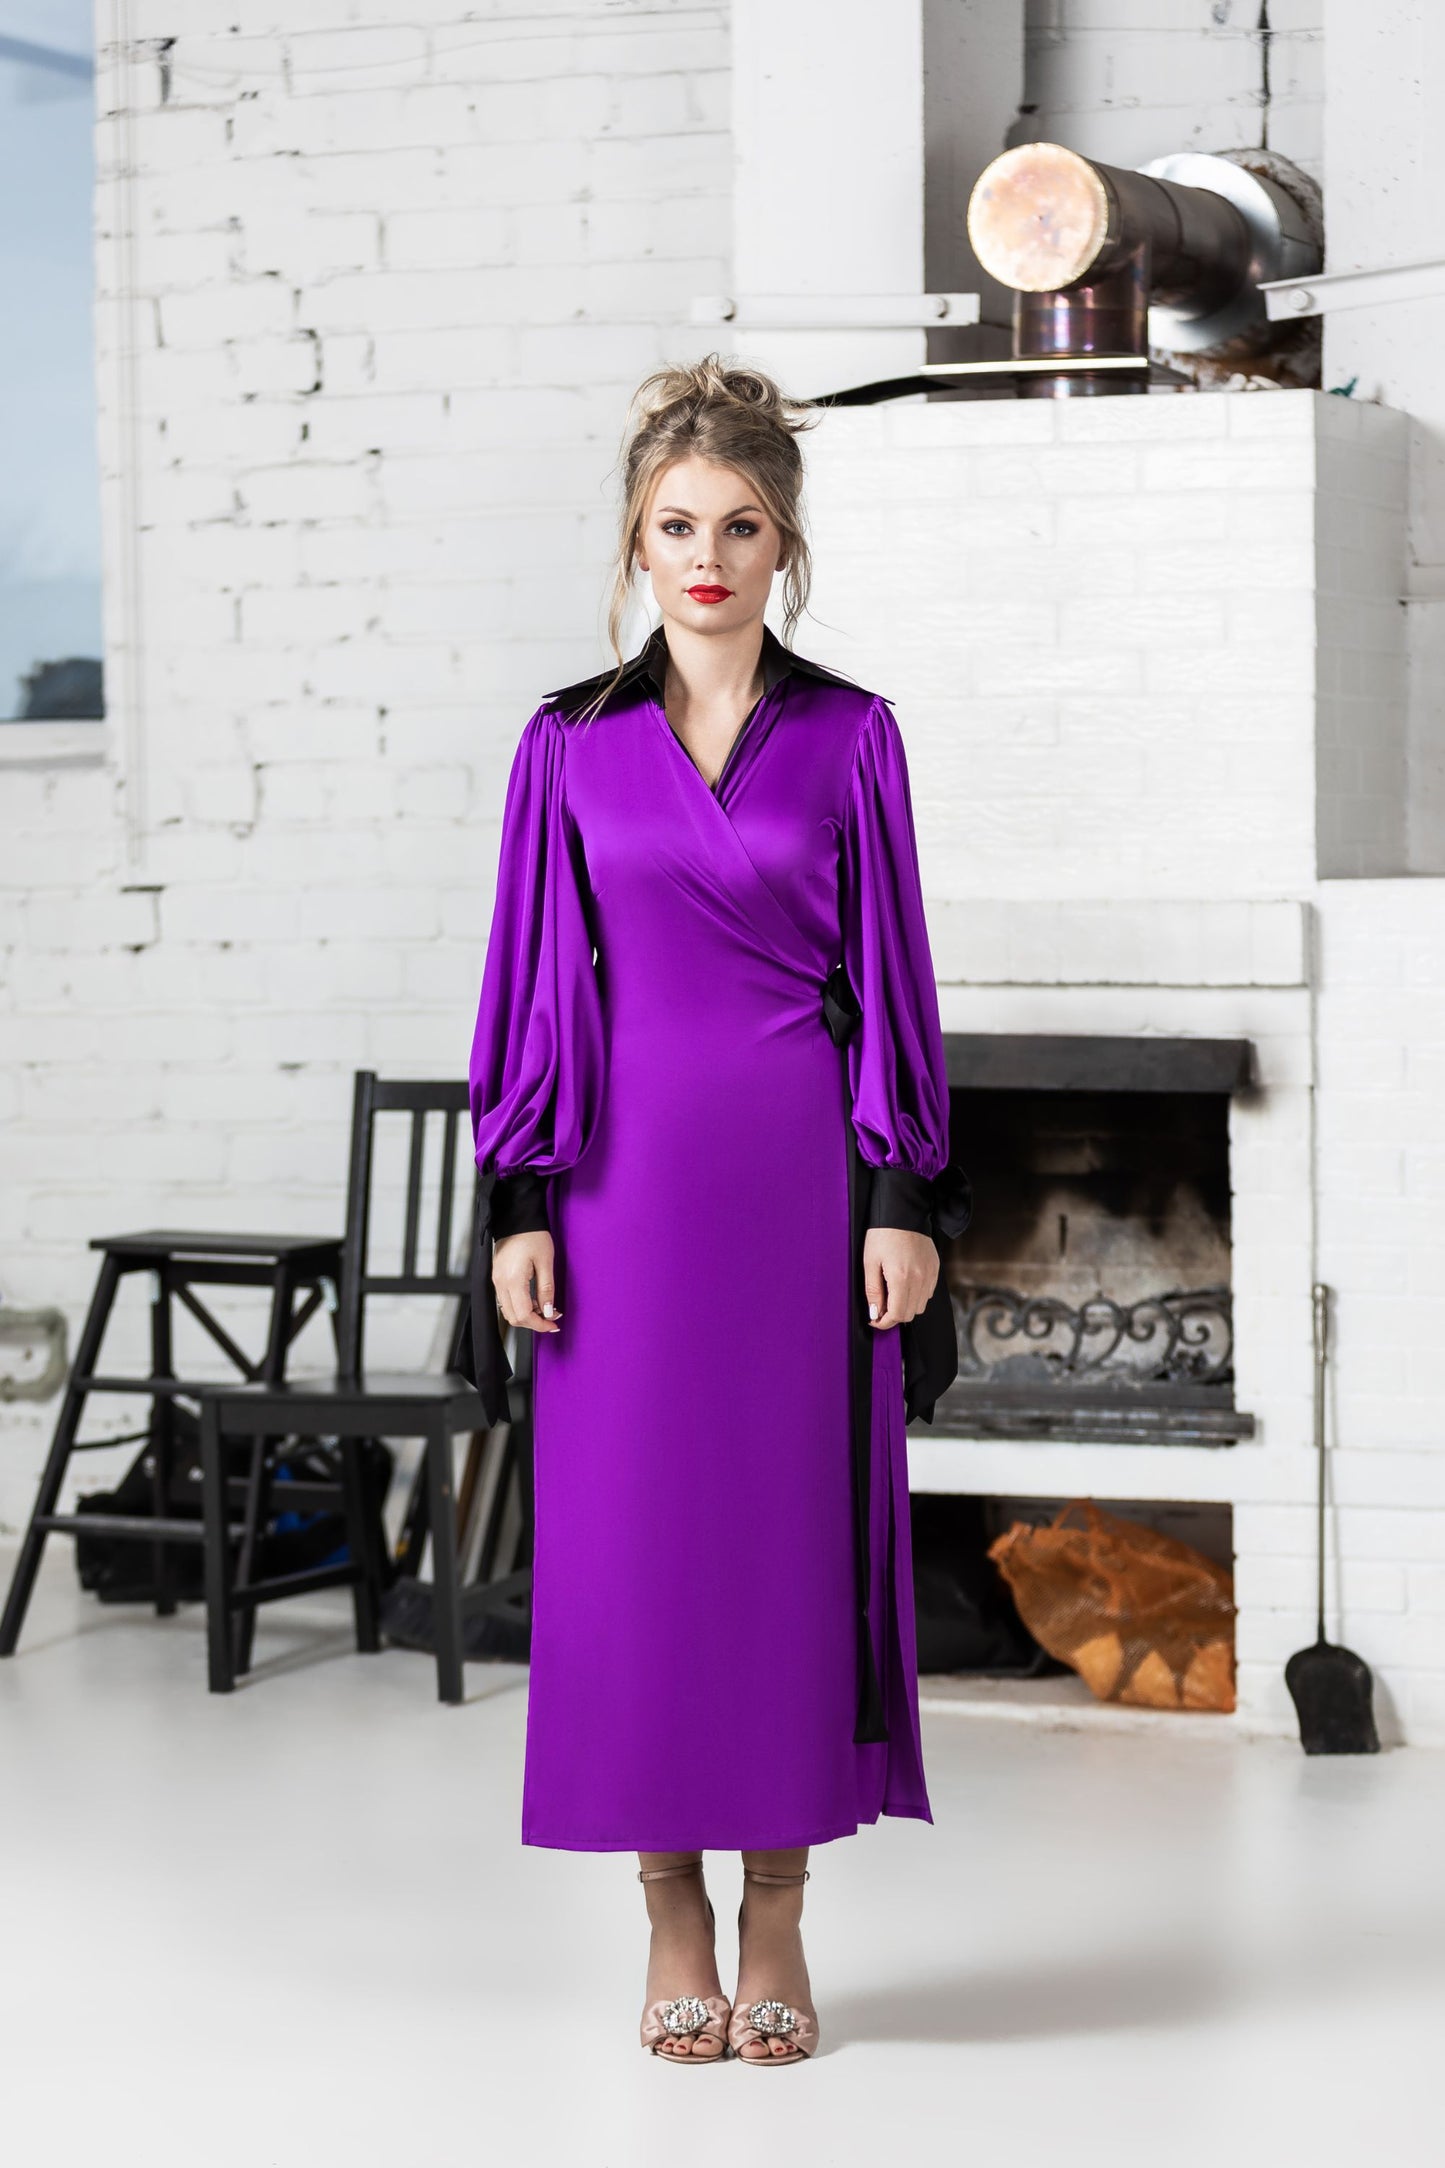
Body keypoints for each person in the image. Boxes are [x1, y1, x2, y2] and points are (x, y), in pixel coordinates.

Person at [456, 356, 967, 2067]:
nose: (706, 558)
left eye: (740, 527)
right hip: (619, 1193)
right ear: (634, 542)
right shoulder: (567, 745)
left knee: (784, 1547)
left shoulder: (851, 737)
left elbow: (891, 981)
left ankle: (777, 1908)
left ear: (783, 545)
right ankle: (669, 1904)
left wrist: (900, 1193)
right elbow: (531, 987)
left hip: (799, 1192)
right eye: (676, 527)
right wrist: (519, 1202)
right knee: (636, 1550)